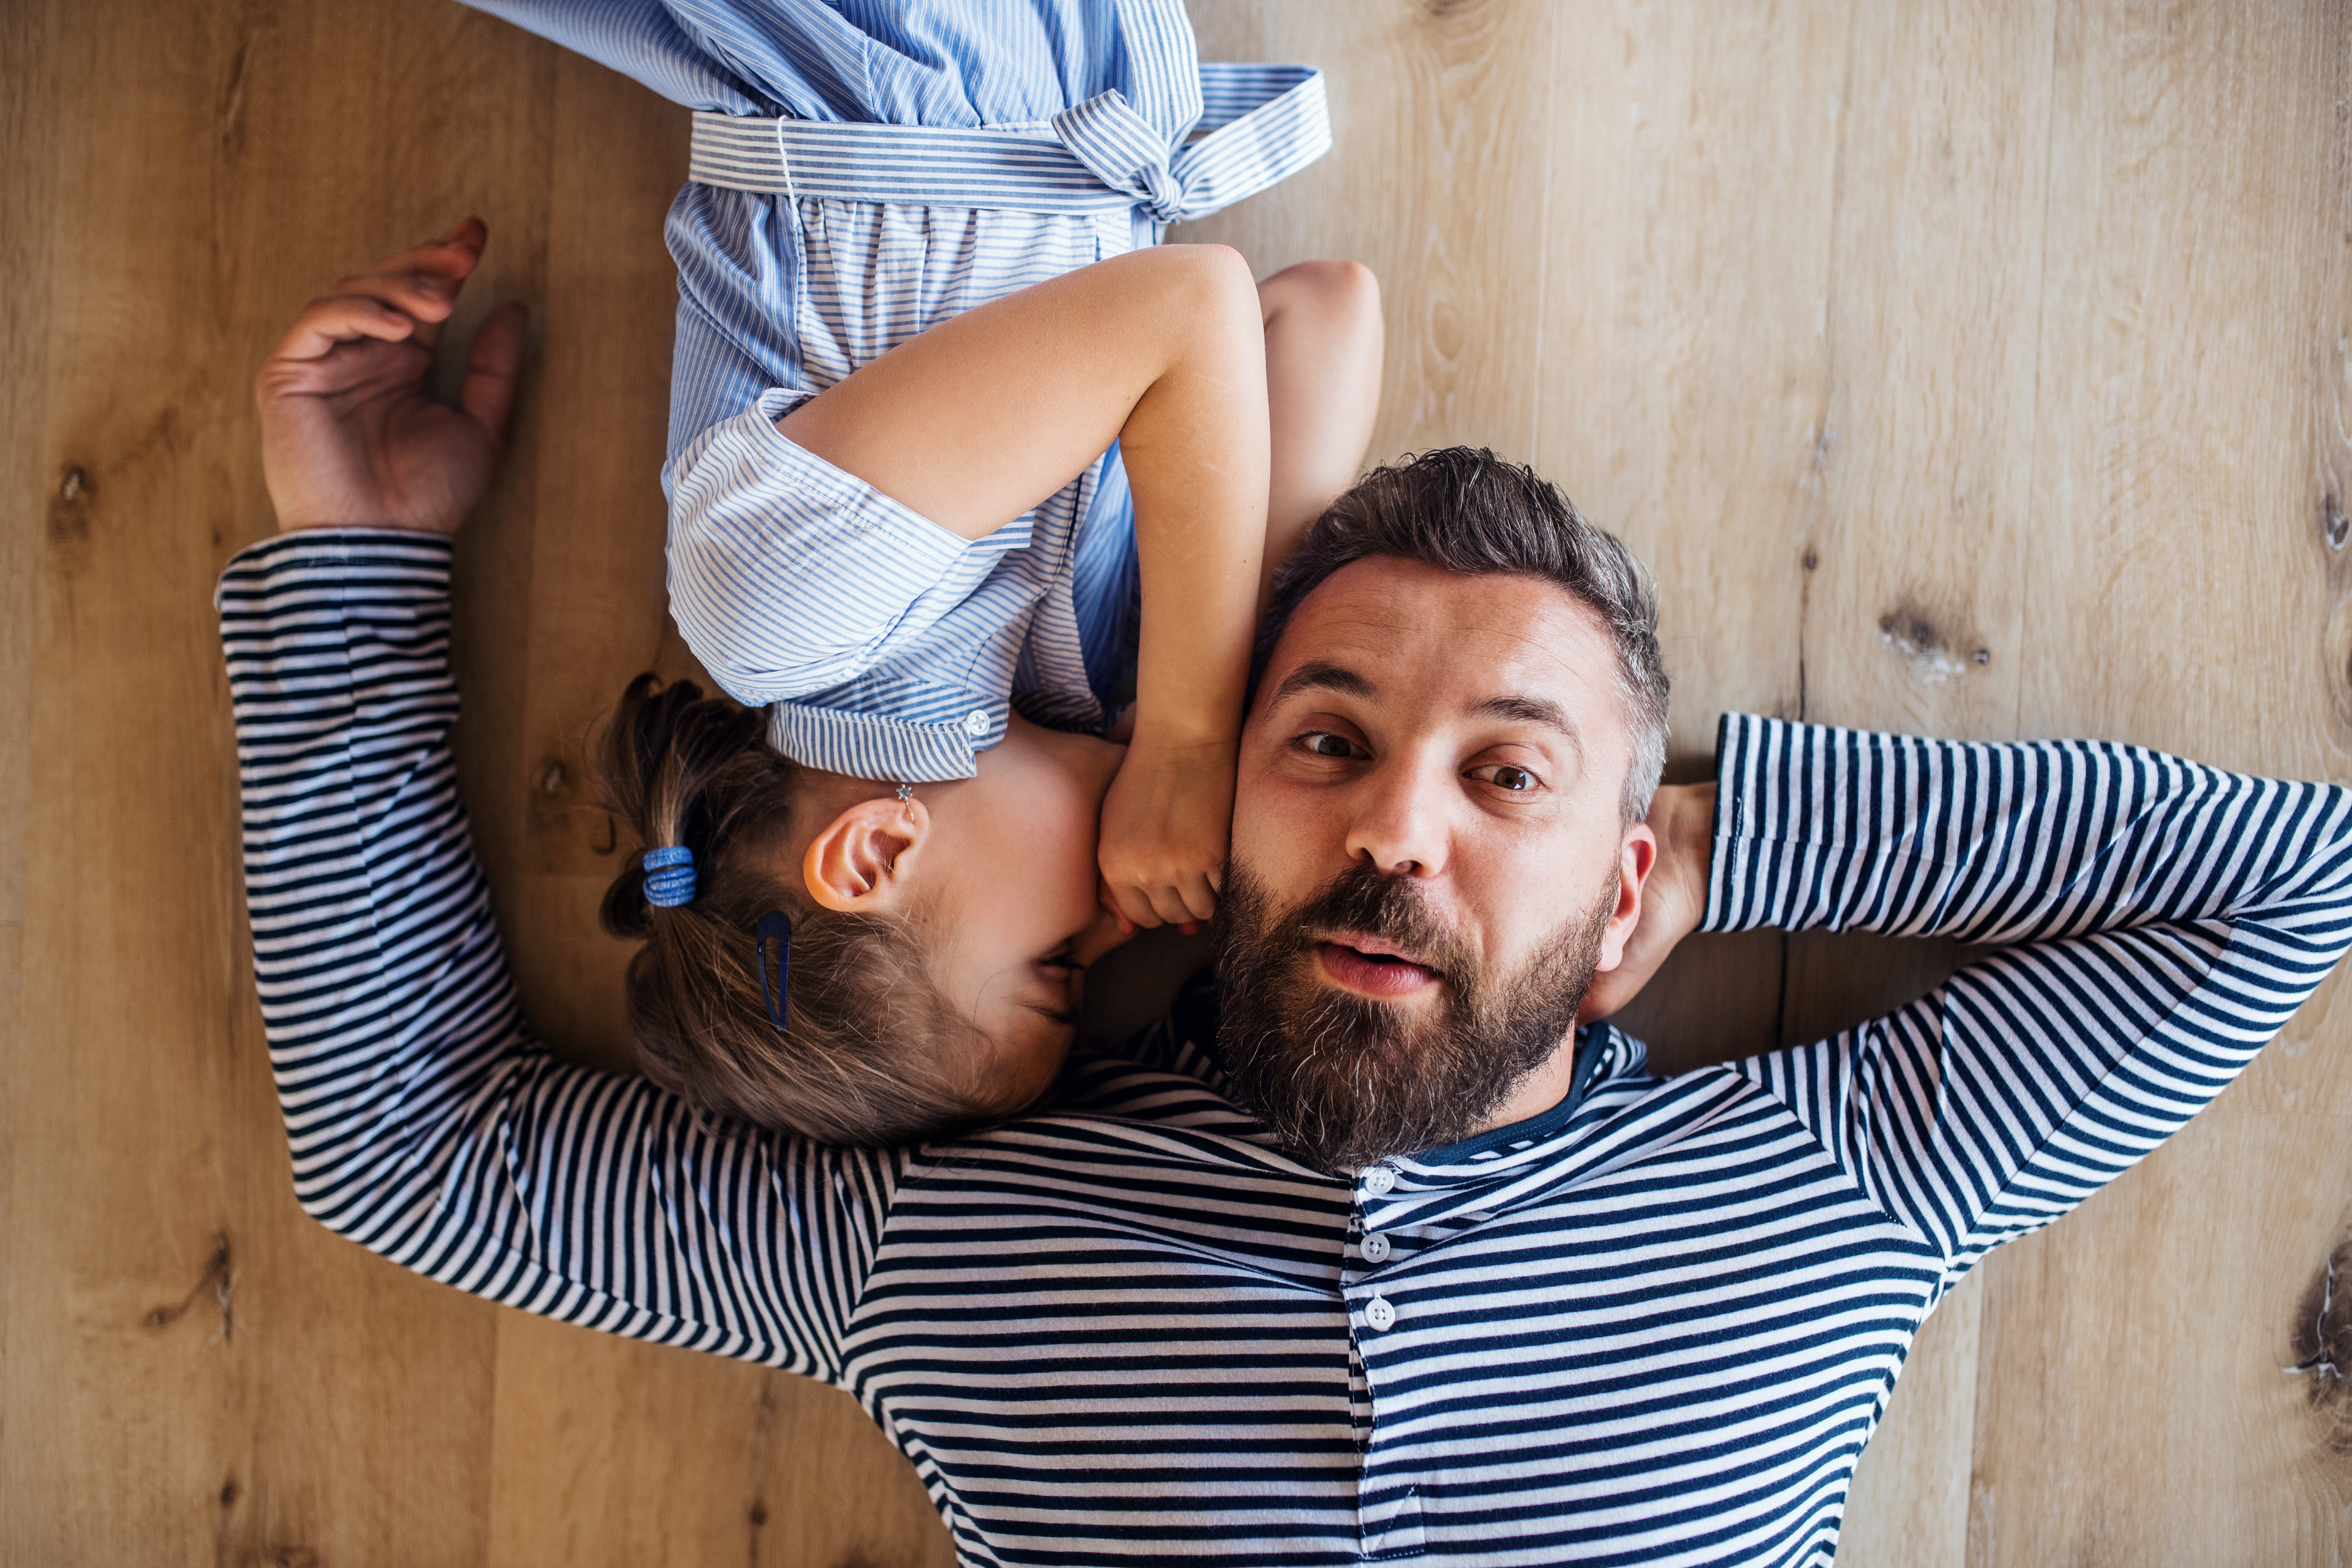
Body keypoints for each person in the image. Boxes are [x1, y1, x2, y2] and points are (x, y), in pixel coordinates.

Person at [229, 222, 2352, 1565]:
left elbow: (2290, 885)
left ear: (1620, 872)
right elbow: (424, 1153)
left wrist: (1724, 841)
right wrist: (358, 553)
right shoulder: (938, 1247)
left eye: (1505, 772)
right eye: (1323, 741)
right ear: (1208, 799)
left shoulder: (1836, 1189)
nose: (1392, 833)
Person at [452, 0, 1384, 1143]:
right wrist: (1219, 706)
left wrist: (1188, 744)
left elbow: (1189, 307)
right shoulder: (1082, 674)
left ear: (877, 850)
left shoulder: (778, 621)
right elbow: (1319, 312)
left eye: (1059, 965)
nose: (1114, 923)